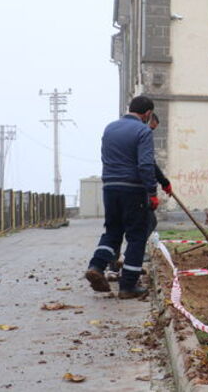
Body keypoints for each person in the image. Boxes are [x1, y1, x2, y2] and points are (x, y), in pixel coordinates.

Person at [85, 95, 158, 299]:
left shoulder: (110, 128)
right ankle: (128, 286)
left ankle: (96, 265)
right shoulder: (143, 131)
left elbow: (104, 156)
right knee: (136, 236)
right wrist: (151, 192)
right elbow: (145, 165)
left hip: (110, 187)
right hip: (132, 189)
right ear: (147, 113)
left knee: (113, 230)